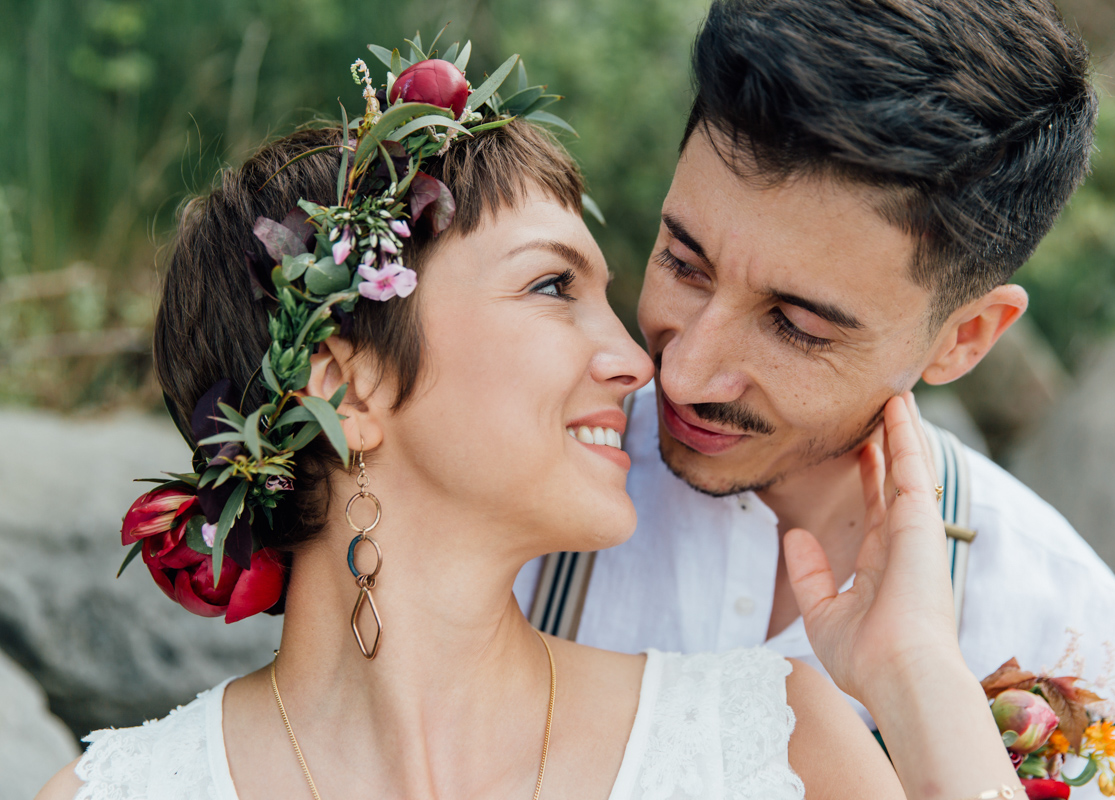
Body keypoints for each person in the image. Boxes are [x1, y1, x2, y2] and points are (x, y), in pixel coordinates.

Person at [36, 48, 1026, 799]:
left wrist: (918, 678)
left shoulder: (771, 745)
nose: (643, 362)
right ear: (347, 384)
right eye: (553, 284)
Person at [515, 0, 1115, 797]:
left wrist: (920, 690)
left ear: (963, 339)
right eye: (685, 264)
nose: (684, 374)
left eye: (796, 326)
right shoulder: (498, 486)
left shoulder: (1086, 644)